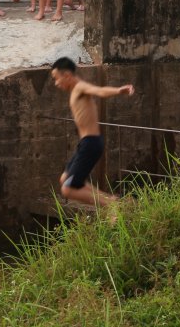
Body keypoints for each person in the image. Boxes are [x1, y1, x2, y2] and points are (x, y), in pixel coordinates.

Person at [51, 57, 133, 221]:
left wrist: (118, 91)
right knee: (64, 179)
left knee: (68, 190)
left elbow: (99, 91)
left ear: (66, 75)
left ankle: (110, 205)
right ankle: (111, 199)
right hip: (86, 143)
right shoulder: (75, 90)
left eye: (56, 78)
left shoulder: (80, 87)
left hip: (90, 144)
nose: (55, 83)